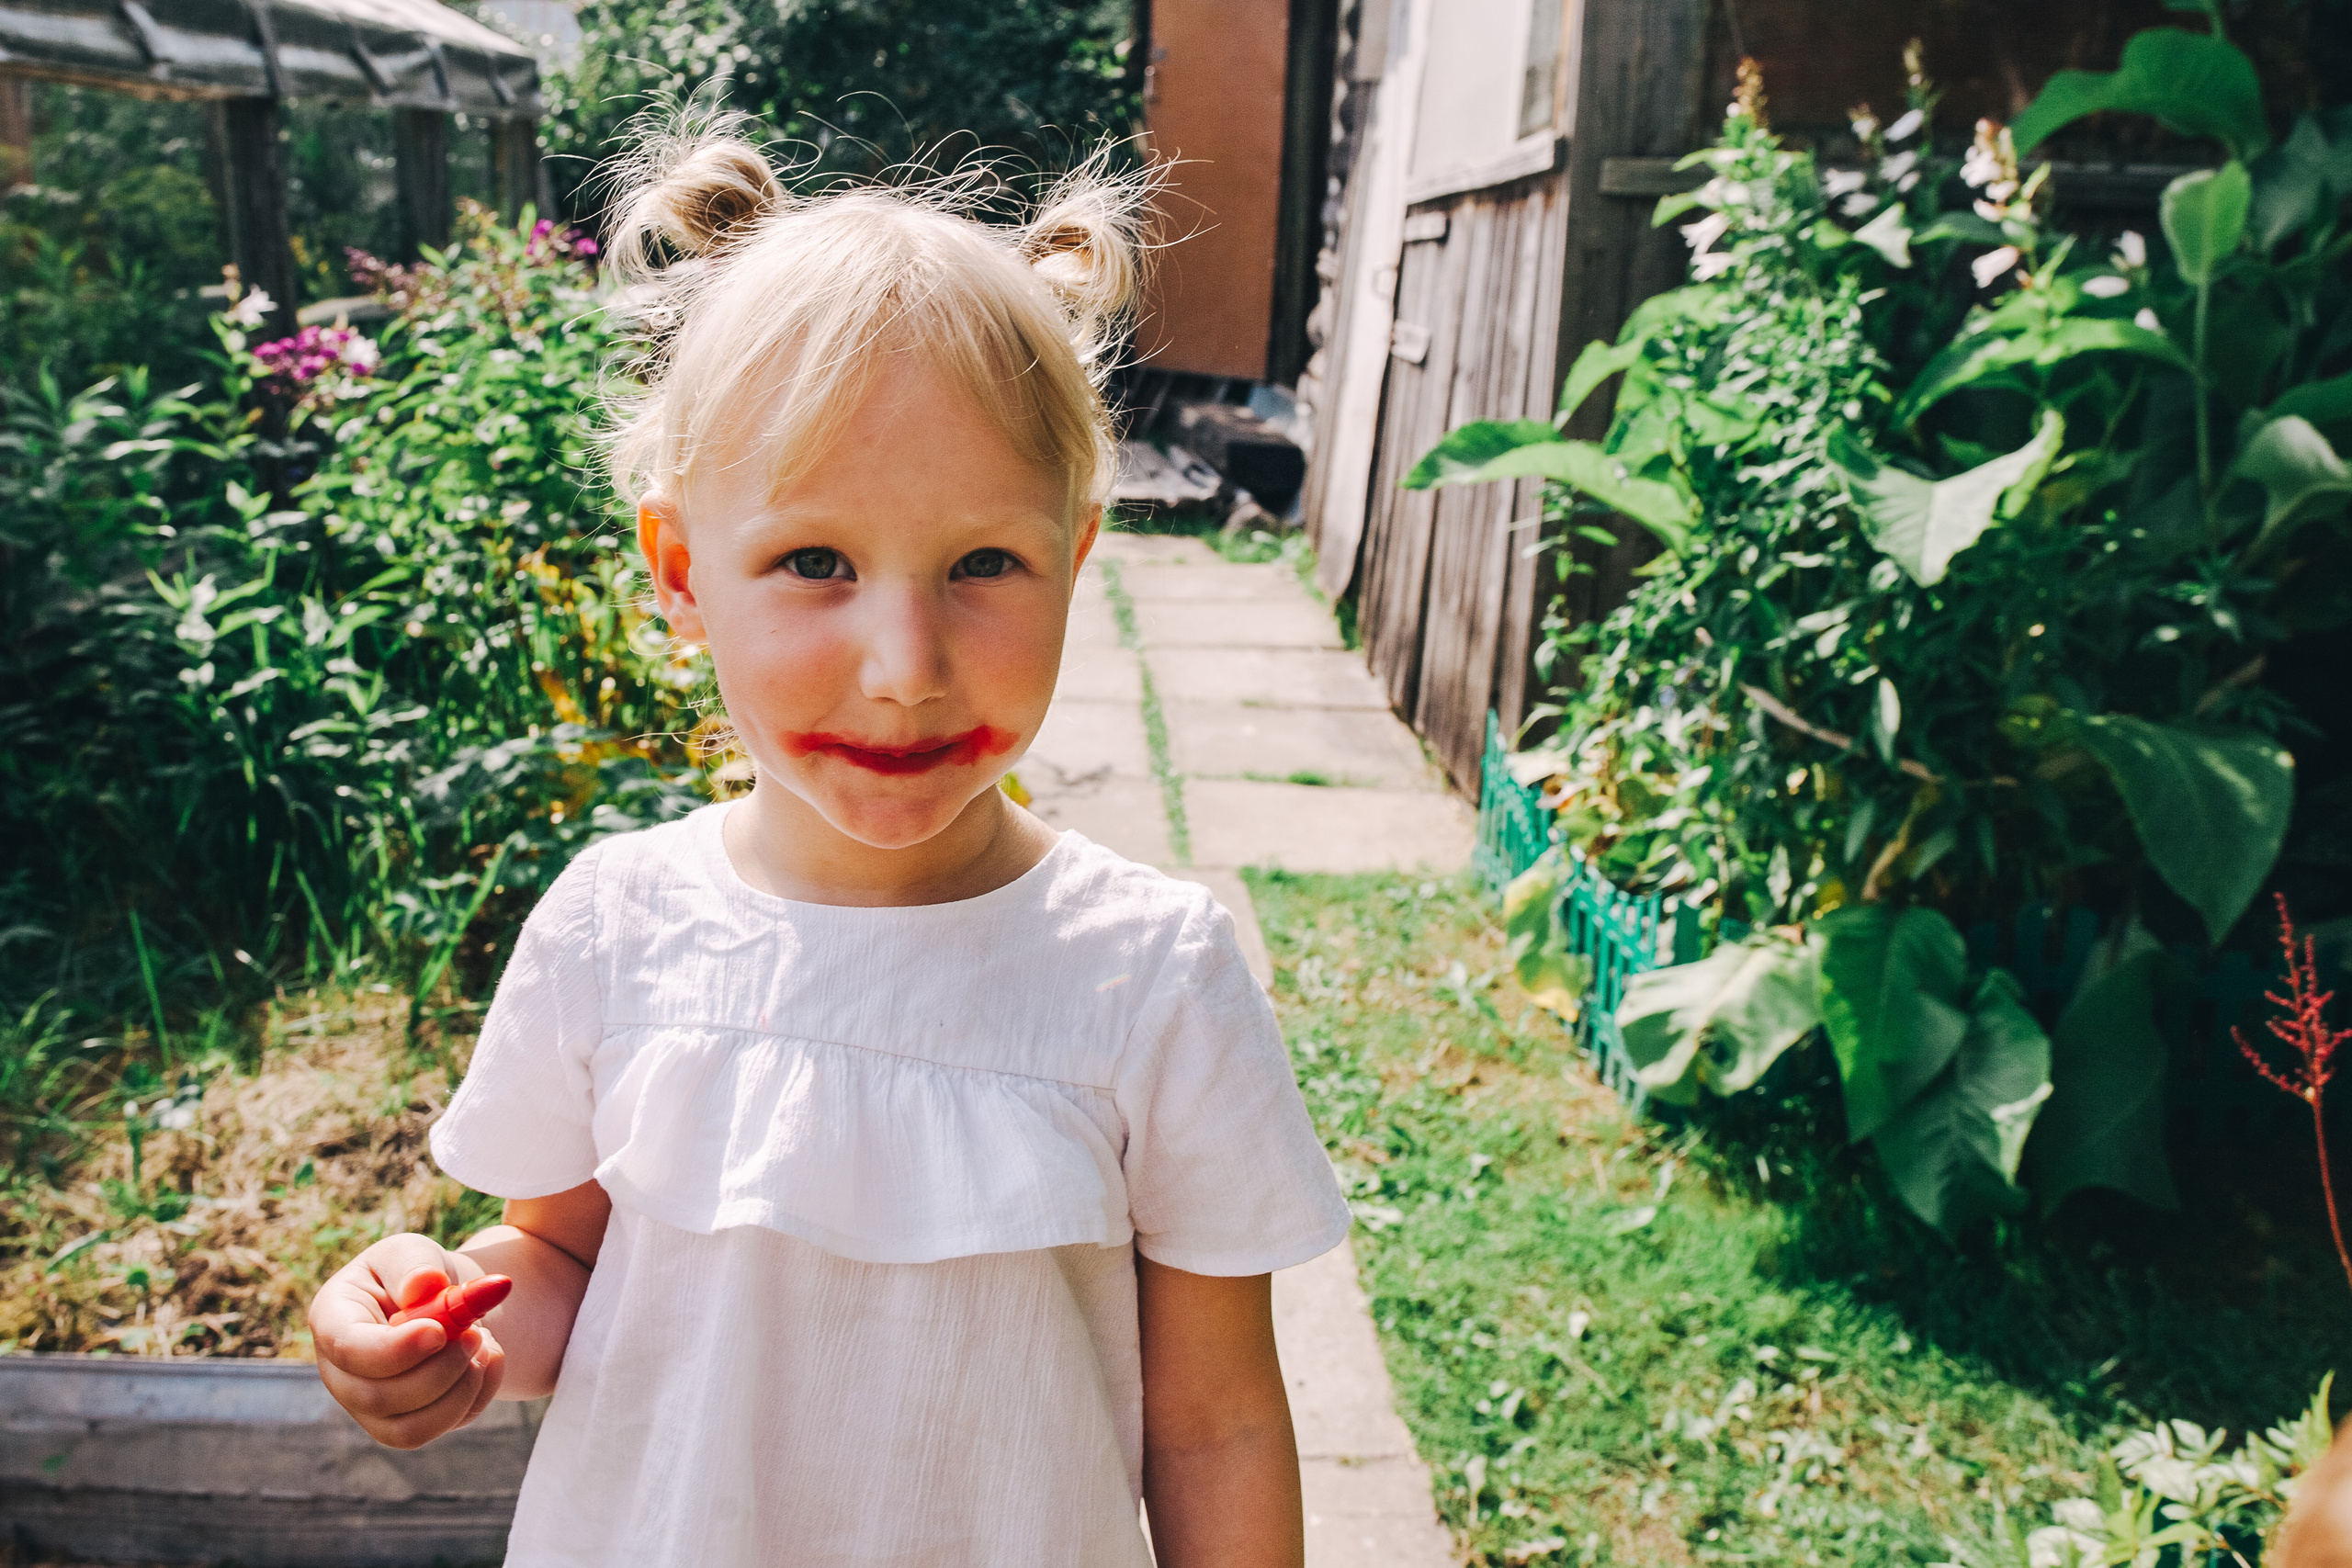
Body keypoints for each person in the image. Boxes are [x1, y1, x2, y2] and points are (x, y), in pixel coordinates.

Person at [304, 117, 1350, 1567]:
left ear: (1078, 554)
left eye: (986, 563)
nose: (905, 662)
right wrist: (444, 1315)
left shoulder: (1149, 979)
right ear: (682, 571)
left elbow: (1216, 1423)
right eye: (815, 564)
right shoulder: (618, 928)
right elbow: (557, 1257)